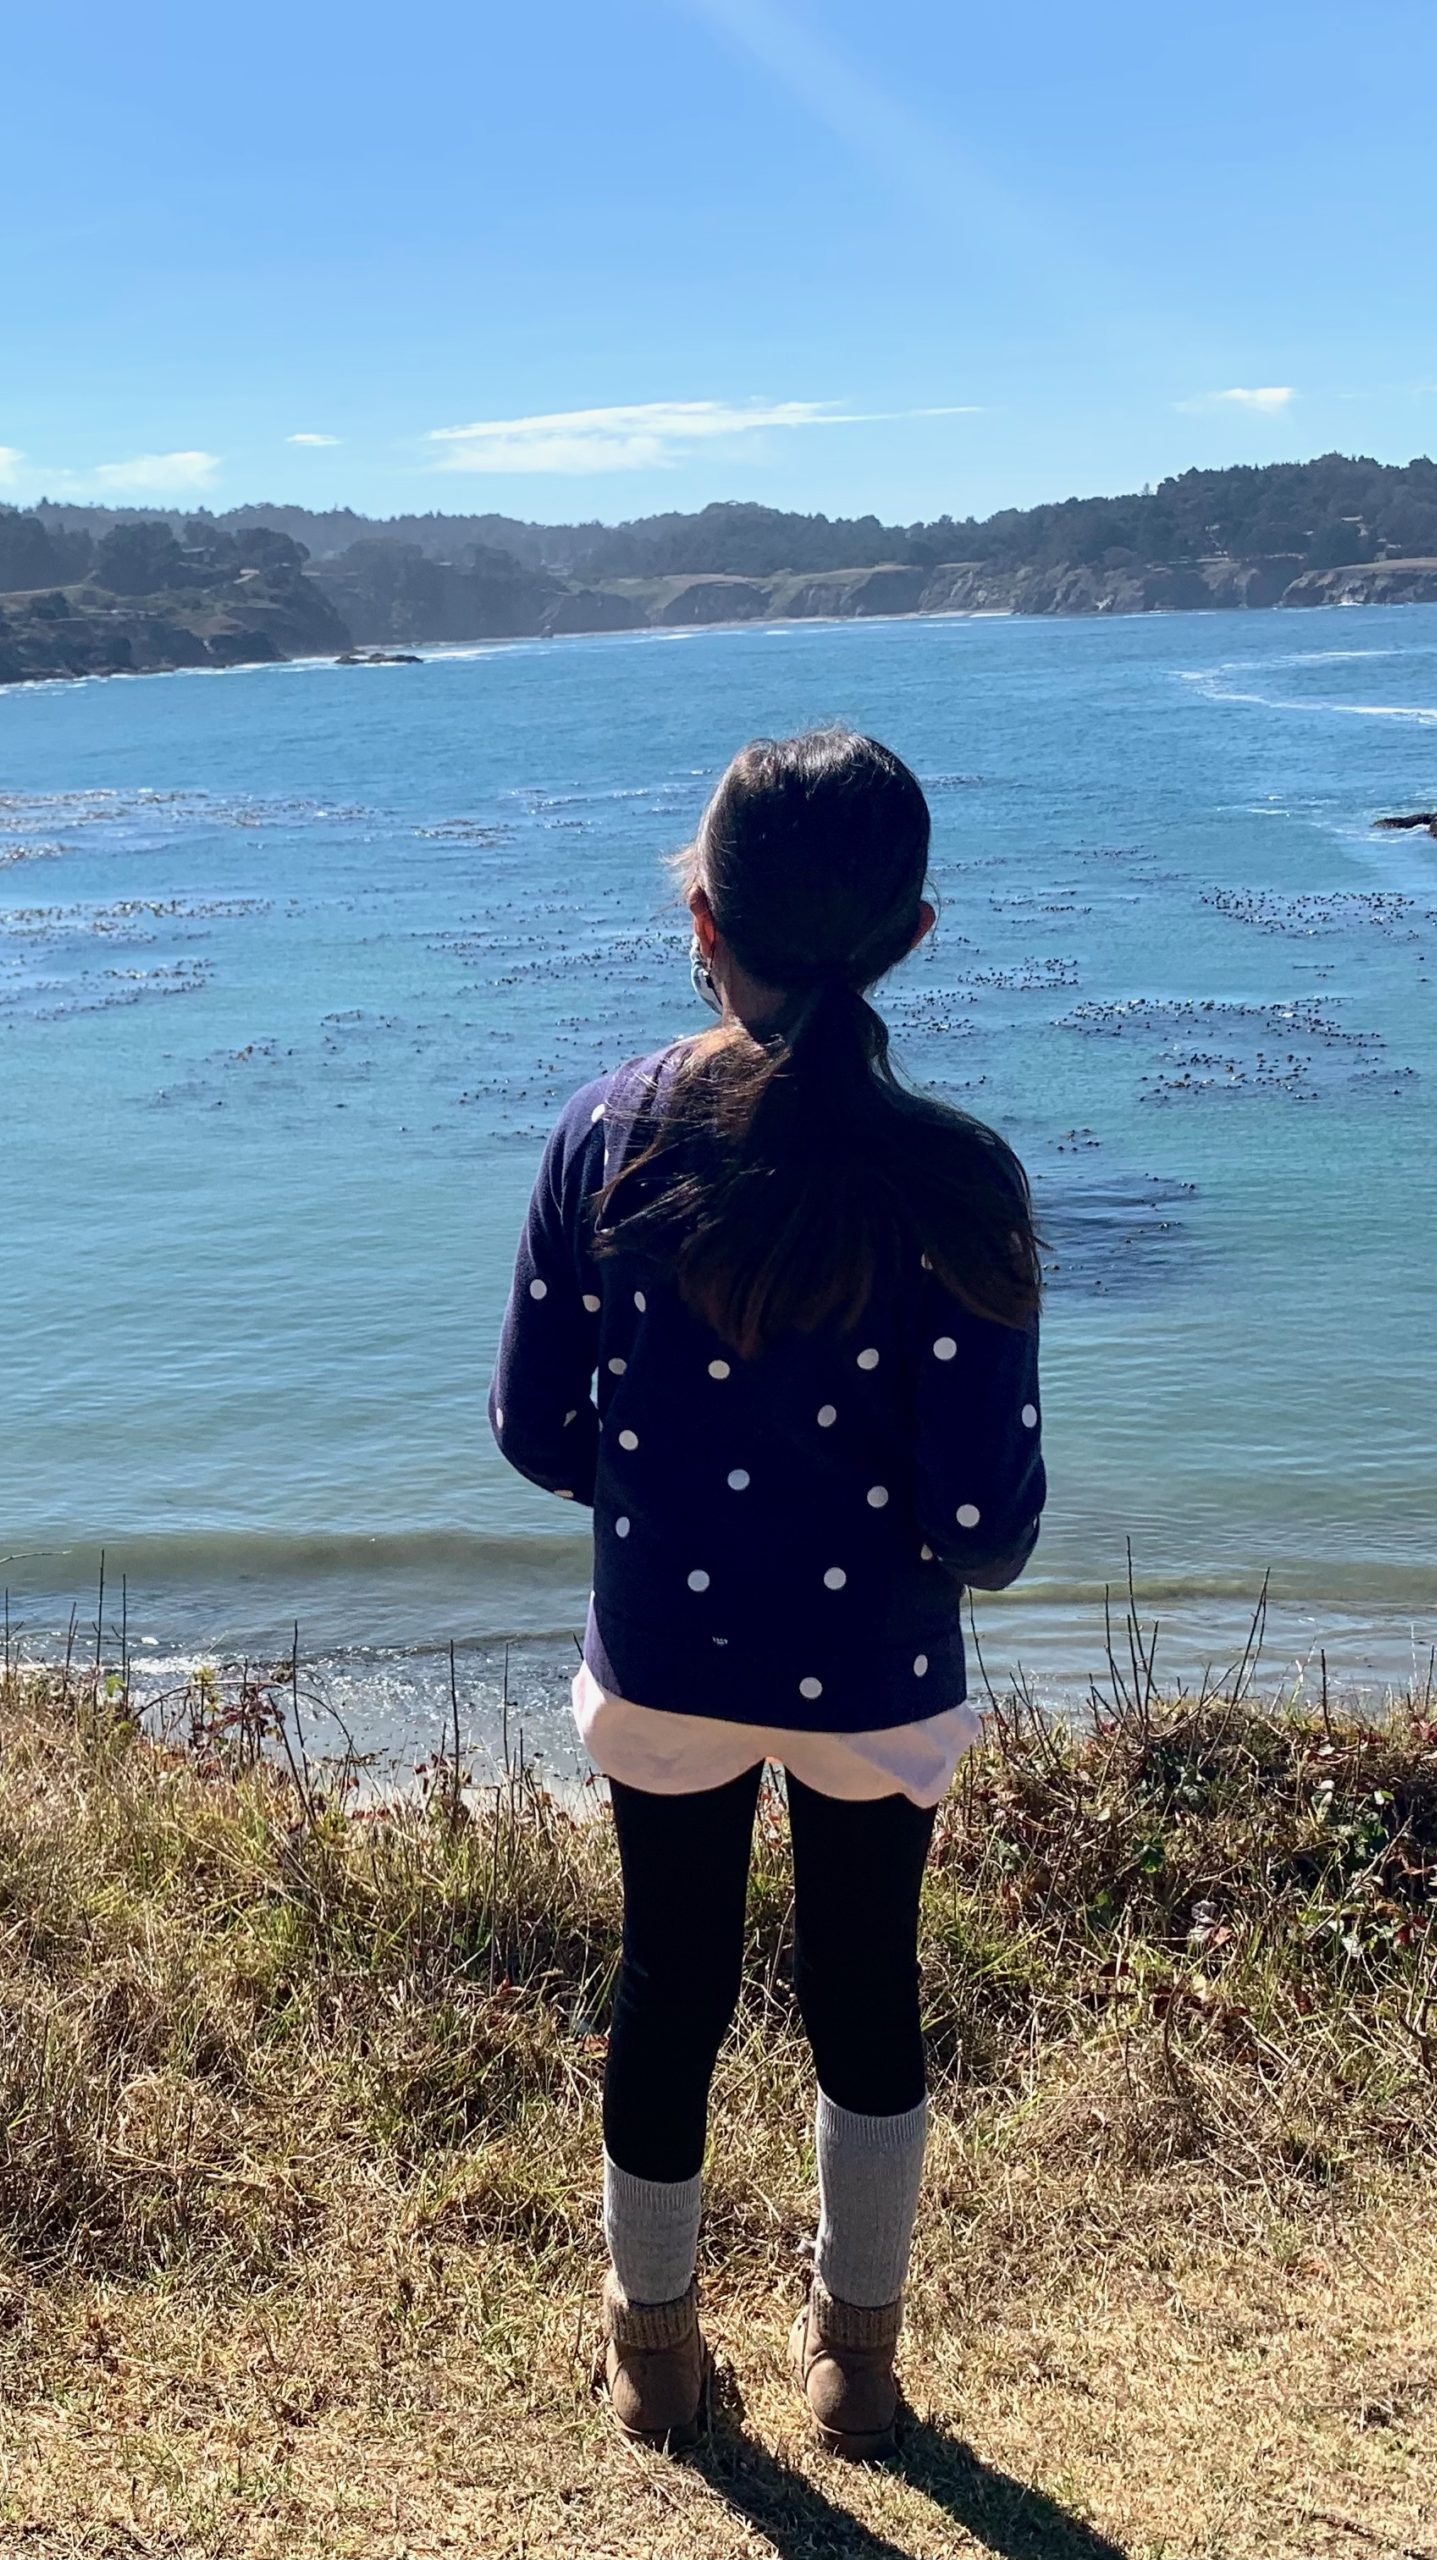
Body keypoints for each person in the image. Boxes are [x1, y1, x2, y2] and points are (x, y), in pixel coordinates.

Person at [489, 727, 1045, 2457]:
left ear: (701, 928)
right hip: (879, 1674)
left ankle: (652, 2357)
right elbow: (985, 1521)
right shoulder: (960, 1181)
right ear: (916, 936)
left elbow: (533, 1428)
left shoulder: (606, 1138)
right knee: (865, 1995)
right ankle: (856, 2367)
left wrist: (652, 1502)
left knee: (672, 1985)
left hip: (660, 1656)